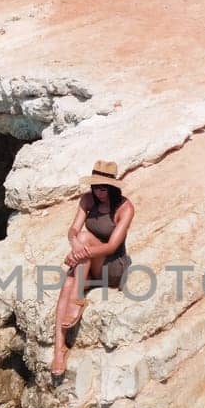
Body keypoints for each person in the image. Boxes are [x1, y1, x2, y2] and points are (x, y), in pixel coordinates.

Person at [50, 160, 134, 376]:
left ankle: (79, 300)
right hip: (89, 261)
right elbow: (73, 230)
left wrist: (80, 252)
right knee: (67, 283)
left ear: (113, 187)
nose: (99, 192)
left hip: (112, 266)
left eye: (103, 188)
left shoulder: (125, 208)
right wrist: (75, 244)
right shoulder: (87, 199)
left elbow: (111, 246)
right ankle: (59, 350)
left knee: (85, 242)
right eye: (95, 187)